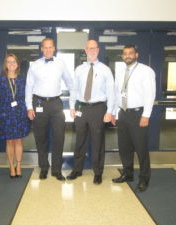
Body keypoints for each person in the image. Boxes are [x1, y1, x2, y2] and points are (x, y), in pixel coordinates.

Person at [67, 40, 116, 185]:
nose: (92, 50)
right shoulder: (79, 69)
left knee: (97, 142)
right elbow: (74, 90)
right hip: (81, 108)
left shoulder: (105, 70)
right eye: (89, 48)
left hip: (98, 108)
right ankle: (77, 169)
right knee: (79, 141)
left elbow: (111, 92)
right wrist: (71, 106)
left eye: (94, 48)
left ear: (98, 50)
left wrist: (110, 111)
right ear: (85, 50)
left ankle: (98, 172)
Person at [25, 38, 73, 181]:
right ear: (41, 49)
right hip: (38, 103)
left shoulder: (61, 64)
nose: (47, 50)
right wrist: (29, 107)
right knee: (41, 138)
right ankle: (44, 168)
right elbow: (29, 87)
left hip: (56, 104)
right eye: (45, 47)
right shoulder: (34, 65)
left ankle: (57, 170)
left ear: (54, 49)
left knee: (59, 138)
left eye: (50, 47)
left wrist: (73, 103)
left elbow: (70, 83)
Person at [111, 45, 156, 192]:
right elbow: (117, 94)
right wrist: (114, 112)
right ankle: (128, 174)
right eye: (125, 54)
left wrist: (146, 115)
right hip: (123, 113)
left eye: (130, 53)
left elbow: (150, 94)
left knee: (141, 148)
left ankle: (144, 179)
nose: (127, 56)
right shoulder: (120, 71)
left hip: (138, 114)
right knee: (124, 147)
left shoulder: (146, 71)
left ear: (136, 54)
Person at [0, 54, 30, 178]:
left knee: (19, 140)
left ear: (17, 64)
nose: (11, 64)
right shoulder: (0, 80)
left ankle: (19, 165)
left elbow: (27, 96)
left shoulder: (23, 80)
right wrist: (0, 115)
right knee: (9, 141)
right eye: (8, 61)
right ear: (5, 64)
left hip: (20, 113)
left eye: (13, 61)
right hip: (6, 115)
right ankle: (11, 166)